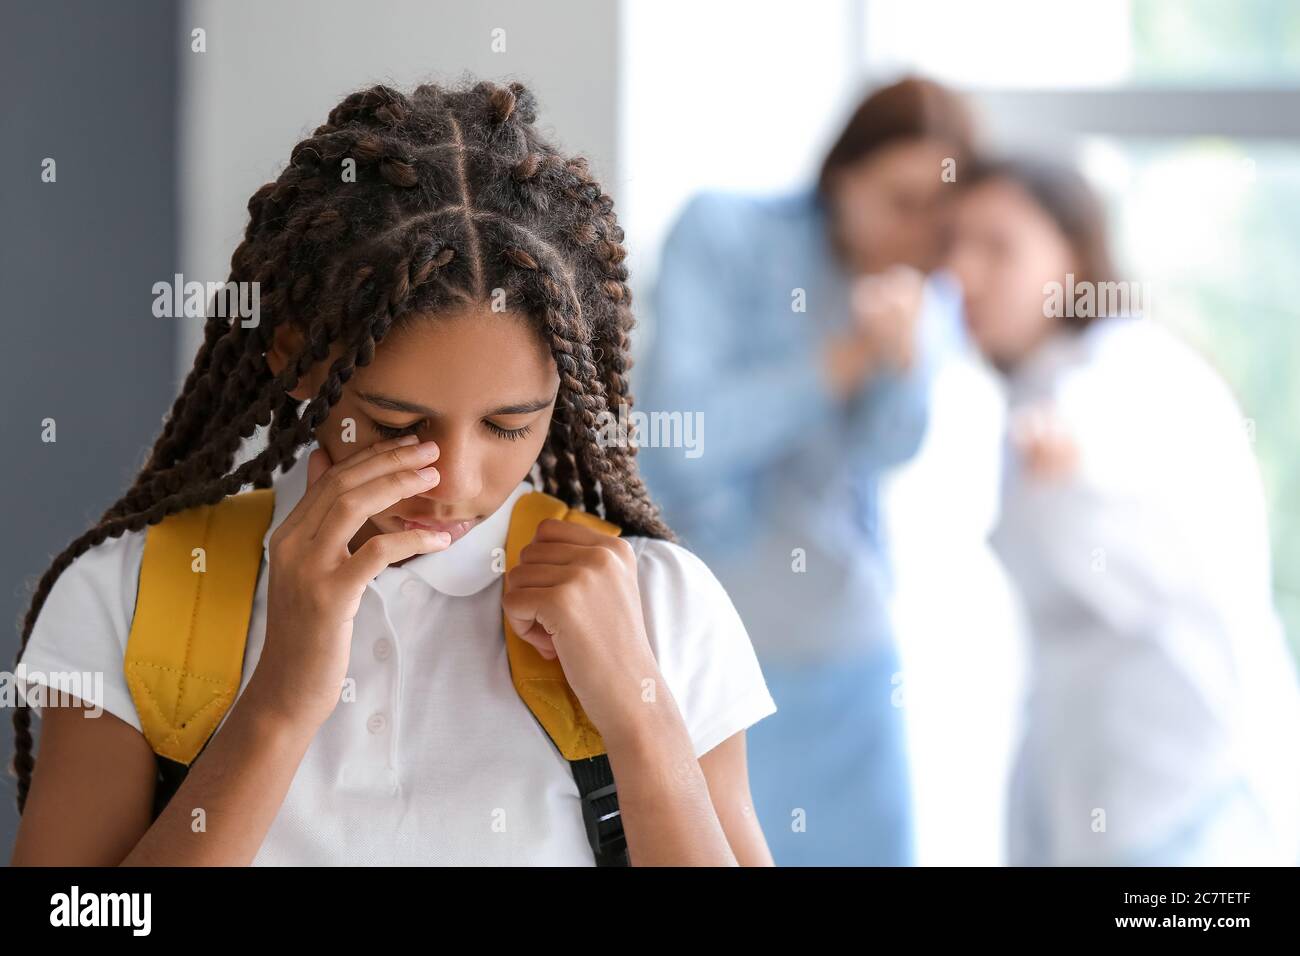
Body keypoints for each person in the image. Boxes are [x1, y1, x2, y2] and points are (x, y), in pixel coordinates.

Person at [8, 79, 779, 866]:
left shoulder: (657, 604)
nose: (452, 480)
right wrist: (280, 701)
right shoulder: (134, 595)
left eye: (510, 424)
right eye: (396, 426)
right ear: (295, 359)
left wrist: (640, 715)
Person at [634, 77, 976, 865]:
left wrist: (905, 360)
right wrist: (845, 361)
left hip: (850, 649)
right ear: (842, 176)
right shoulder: (721, 230)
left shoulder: (925, 293)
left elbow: (891, 448)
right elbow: (677, 442)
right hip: (709, 657)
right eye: (902, 200)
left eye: (941, 215)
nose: (920, 230)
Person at [945, 156, 1300, 865]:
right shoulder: (1036, 384)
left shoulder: (1125, 369)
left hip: (1184, 791)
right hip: (1099, 781)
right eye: (953, 245)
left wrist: (1068, 448)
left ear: (1073, 254)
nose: (964, 275)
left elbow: (1102, 429)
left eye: (999, 246)